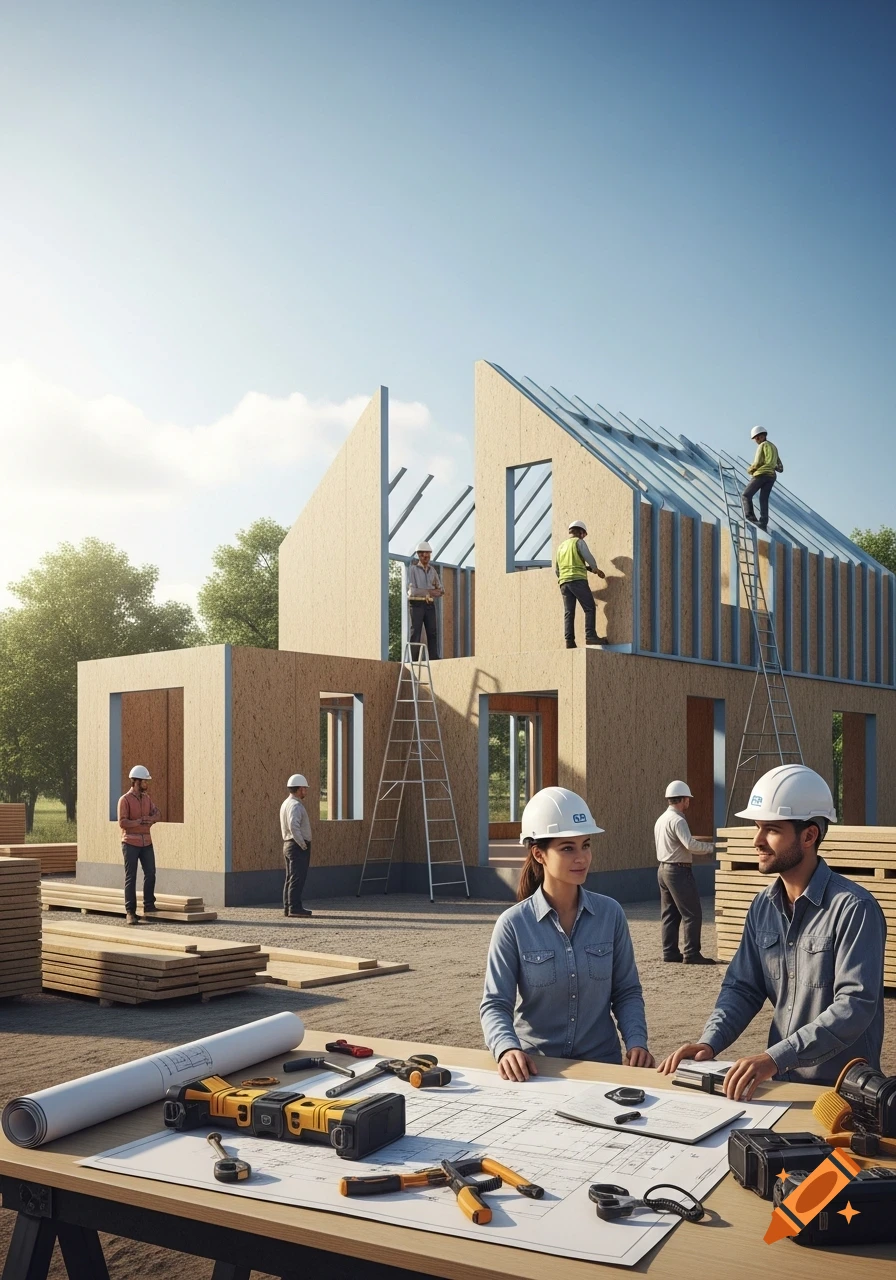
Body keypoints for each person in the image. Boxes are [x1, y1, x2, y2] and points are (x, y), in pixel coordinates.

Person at [658, 764, 886, 1101]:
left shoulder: (854, 909)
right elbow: (743, 986)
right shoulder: (763, 907)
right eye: (757, 827)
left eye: (771, 829)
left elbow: (854, 1006)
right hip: (778, 1085)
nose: (756, 840)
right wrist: (711, 1041)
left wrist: (775, 1058)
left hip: (842, 1096)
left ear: (809, 836)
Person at [480, 786, 653, 1080]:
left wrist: (636, 1041)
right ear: (539, 854)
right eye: (567, 848)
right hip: (536, 1069)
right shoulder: (513, 925)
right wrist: (507, 1049)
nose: (582, 858)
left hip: (602, 1065)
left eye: (586, 845)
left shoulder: (610, 915)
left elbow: (626, 992)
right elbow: (495, 1004)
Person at [655, 781, 716, 965]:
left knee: (670, 914)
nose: (689, 802)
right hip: (678, 870)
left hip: (663, 869)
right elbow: (689, 845)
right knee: (692, 913)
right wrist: (712, 848)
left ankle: (670, 952)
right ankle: (691, 953)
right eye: (688, 799)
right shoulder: (678, 820)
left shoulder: (662, 819)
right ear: (683, 799)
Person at [117, 765, 160, 926]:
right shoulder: (125, 800)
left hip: (146, 842)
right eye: (144, 781)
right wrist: (139, 822)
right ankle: (130, 912)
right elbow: (122, 822)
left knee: (151, 873)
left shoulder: (147, 799)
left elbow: (157, 813)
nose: (147, 784)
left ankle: (149, 905)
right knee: (131, 877)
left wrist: (151, 819)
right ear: (136, 781)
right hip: (130, 843)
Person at [555, 520, 606, 649]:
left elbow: (557, 569)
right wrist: (594, 568)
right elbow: (588, 556)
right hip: (577, 580)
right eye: (584, 534)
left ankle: (569, 641)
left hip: (564, 583)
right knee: (589, 608)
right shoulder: (578, 542)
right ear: (581, 532)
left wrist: (564, 578)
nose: (584, 537)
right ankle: (590, 636)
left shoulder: (561, 546)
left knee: (569, 612)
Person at [280, 773, 313, 918]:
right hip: (296, 846)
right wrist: (302, 844)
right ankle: (295, 908)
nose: (306, 791)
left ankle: (289, 907)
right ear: (300, 789)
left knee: (291, 877)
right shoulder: (295, 805)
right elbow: (294, 827)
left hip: (289, 844)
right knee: (297, 878)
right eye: (305, 788)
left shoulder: (286, 803)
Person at [407, 539, 443, 659]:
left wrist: (427, 591)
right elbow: (413, 591)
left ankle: (434, 658)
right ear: (419, 555)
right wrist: (430, 591)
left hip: (429, 604)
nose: (426, 556)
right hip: (416, 603)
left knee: (432, 632)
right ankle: (413, 659)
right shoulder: (412, 569)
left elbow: (441, 590)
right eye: (423, 553)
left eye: (428, 553)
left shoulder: (432, 570)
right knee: (416, 632)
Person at [742, 425, 783, 531]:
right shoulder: (773, 447)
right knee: (763, 499)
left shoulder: (762, 446)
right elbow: (780, 467)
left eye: (756, 438)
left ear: (761, 436)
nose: (756, 440)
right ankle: (763, 523)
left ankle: (751, 518)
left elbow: (757, 463)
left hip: (761, 474)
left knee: (746, 495)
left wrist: (750, 469)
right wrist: (771, 466)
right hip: (771, 476)